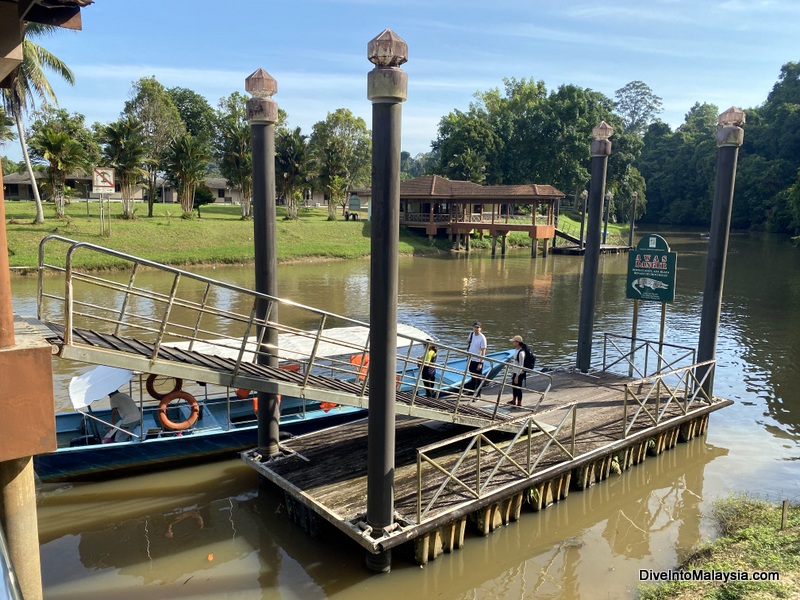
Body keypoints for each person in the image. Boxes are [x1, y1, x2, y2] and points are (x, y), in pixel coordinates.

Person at [466, 322, 487, 398]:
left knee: (478, 378)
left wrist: (481, 363)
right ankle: (472, 391)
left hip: (478, 360)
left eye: (478, 327)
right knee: (472, 376)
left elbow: (483, 351)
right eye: (475, 327)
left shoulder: (482, 338)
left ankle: (478, 394)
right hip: (471, 359)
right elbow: (469, 341)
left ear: (480, 328)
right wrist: (468, 340)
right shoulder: (471, 334)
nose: (476, 329)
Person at [508, 334, 529, 406]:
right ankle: (514, 400)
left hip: (519, 373)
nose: (513, 343)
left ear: (517, 342)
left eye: (514, 342)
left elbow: (521, 365)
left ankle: (519, 403)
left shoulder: (521, 353)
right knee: (514, 386)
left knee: (518, 388)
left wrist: (517, 376)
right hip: (515, 371)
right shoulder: (516, 350)